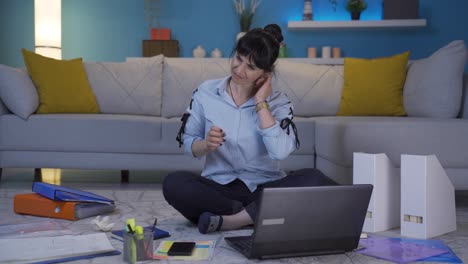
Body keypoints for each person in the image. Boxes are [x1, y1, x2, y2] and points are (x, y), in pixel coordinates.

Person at [163, 24, 337, 234]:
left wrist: (261, 102)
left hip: (264, 188)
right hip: (219, 190)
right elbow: (188, 142)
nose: (239, 70)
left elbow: (280, 152)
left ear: (265, 73)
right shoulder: (205, 92)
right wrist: (206, 144)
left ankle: (232, 220)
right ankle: (253, 216)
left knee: (314, 179)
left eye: (251, 67)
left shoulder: (279, 102)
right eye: (238, 59)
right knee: (173, 183)